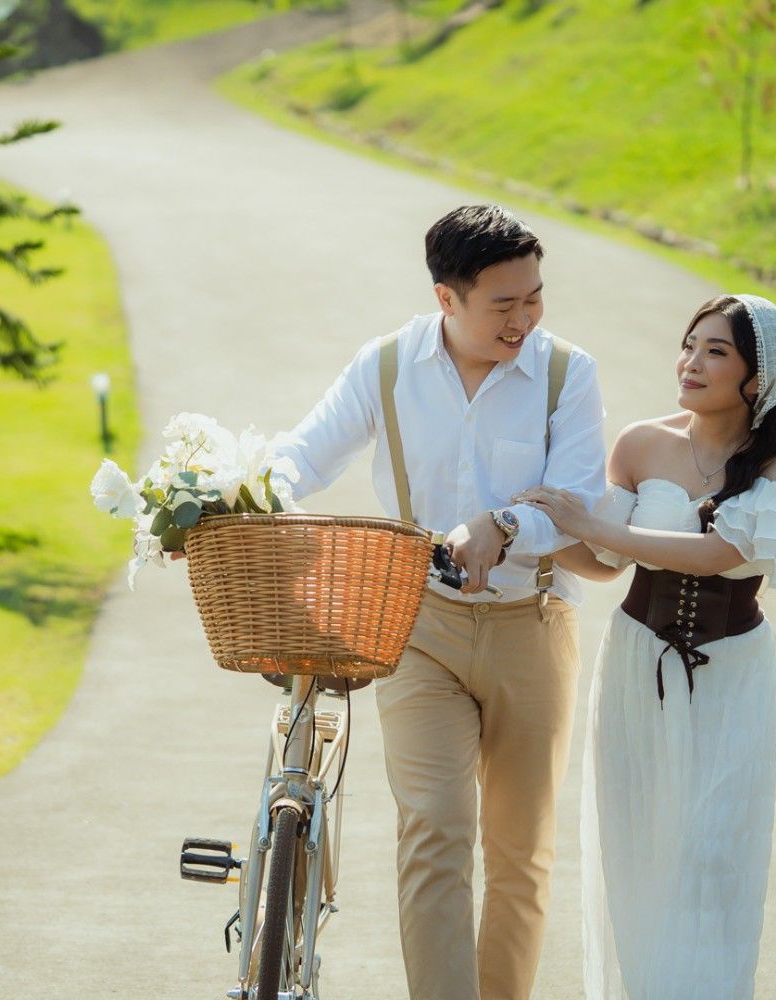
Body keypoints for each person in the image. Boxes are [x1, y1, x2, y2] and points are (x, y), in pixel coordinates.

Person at [272, 204, 607, 1000]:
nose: (524, 318)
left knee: (520, 851)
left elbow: (579, 504)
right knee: (434, 829)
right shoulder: (387, 366)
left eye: (534, 297)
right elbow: (302, 455)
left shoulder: (568, 374)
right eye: (504, 303)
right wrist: (245, 494)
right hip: (420, 627)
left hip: (535, 625)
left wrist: (506, 524)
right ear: (446, 299)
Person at [514, 293, 776, 1000]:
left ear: (758, 377)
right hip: (636, 665)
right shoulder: (641, 443)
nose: (691, 362)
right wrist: (542, 525)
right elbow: (604, 564)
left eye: (716, 351)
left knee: (711, 850)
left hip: (733, 676)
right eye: (689, 346)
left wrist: (595, 524)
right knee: (641, 847)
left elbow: (720, 554)